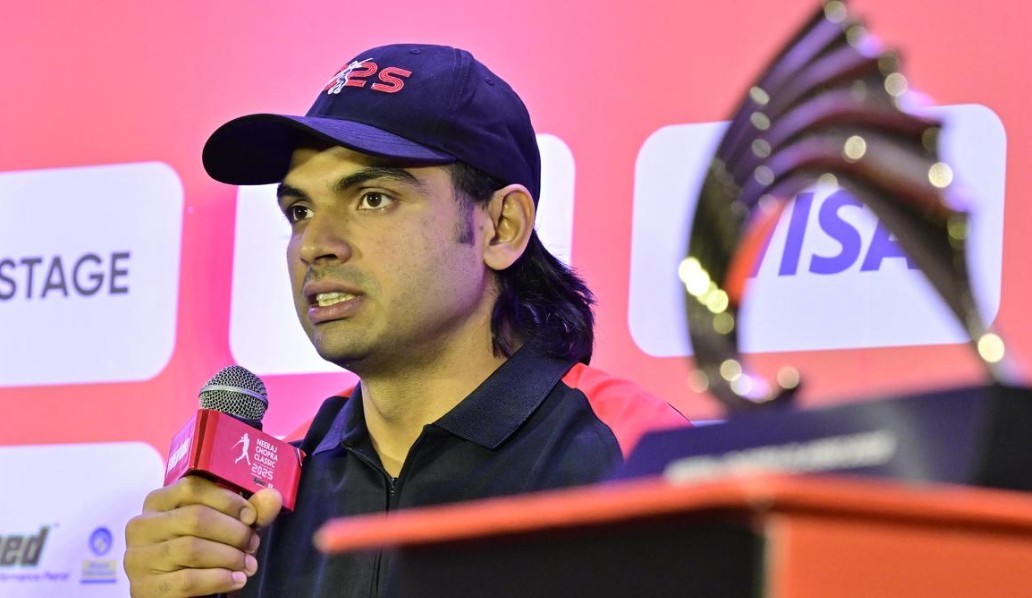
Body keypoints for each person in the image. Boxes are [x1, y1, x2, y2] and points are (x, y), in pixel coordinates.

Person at [123, 43, 688, 597]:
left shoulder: (636, 452)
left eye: (373, 199)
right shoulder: (264, 495)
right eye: (300, 211)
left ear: (502, 227)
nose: (315, 245)